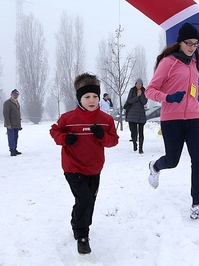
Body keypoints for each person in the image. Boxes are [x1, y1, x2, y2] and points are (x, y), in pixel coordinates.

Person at [145, 22, 199, 223]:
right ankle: (155, 166)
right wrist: (168, 98)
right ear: (180, 42)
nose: (192, 47)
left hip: (193, 118)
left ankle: (196, 205)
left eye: (195, 44)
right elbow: (151, 90)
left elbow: (192, 90)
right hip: (171, 120)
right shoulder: (168, 62)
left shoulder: (193, 64)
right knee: (172, 160)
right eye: (189, 43)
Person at [50, 73, 119, 255]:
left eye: (95, 96)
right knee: (85, 199)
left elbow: (113, 141)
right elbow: (54, 132)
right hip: (72, 167)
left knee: (88, 201)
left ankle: (77, 221)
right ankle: (82, 236)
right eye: (87, 96)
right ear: (79, 98)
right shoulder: (68, 119)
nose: (92, 100)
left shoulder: (106, 120)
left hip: (94, 168)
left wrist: (102, 136)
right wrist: (65, 138)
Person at [125, 78, 148, 154]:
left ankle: (141, 148)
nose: (139, 85)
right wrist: (137, 97)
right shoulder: (132, 90)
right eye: (137, 83)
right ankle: (134, 143)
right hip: (132, 113)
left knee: (141, 132)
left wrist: (141, 95)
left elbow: (144, 102)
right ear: (135, 84)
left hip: (141, 114)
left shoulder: (144, 91)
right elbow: (129, 100)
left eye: (140, 84)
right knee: (133, 131)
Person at [3, 89, 22, 156]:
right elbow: (6, 114)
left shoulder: (17, 102)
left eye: (17, 95)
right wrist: (8, 124)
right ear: (11, 95)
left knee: (15, 137)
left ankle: (15, 149)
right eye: (14, 94)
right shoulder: (7, 103)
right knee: (11, 137)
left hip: (16, 124)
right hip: (10, 124)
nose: (15, 96)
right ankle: (12, 150)